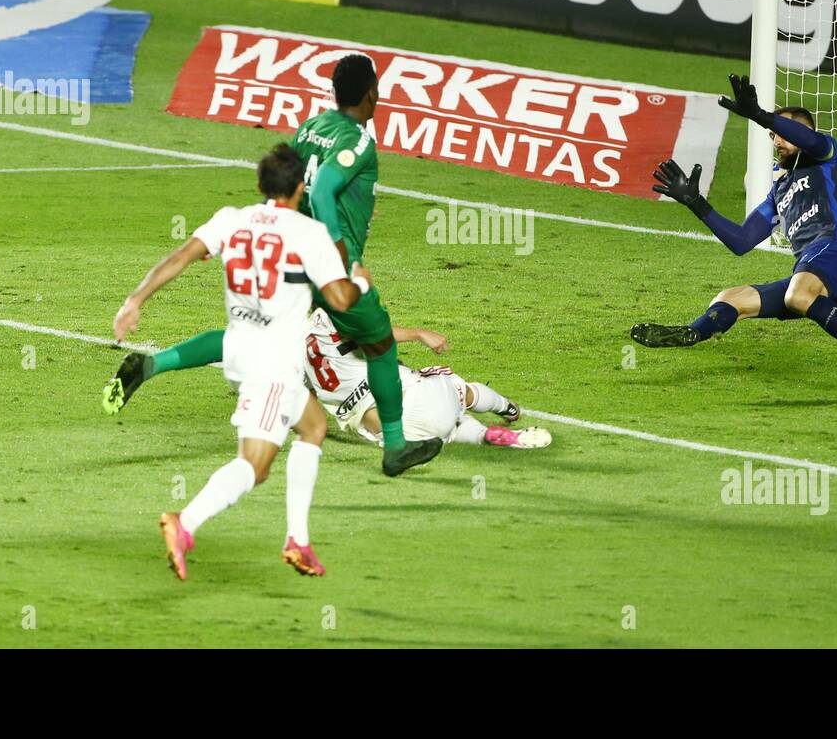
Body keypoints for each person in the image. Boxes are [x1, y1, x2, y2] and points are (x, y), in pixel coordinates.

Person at [111, 144, 372, 580]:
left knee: (313, 427)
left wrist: (134, 300)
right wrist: (360, 283)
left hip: (237, 348)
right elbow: (341, 298)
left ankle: (298, 540)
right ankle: (185, 523)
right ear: (301, 188)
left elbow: (180, 257)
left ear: (260, 185)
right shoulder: (308, 233)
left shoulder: (232, 218)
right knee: (255, 465)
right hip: (271, 364)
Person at [631, 74, 837, 403]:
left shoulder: (826, 155)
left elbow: (807, 141)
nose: (776, 140)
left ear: (805, 132)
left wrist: (760, 115)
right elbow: (741, 241)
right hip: (808, 268)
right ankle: (693, 331)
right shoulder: (779, 190)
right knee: (732, 297)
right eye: (772, 135)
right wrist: (697, 204)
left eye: (782, 133)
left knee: (798, 293)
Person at [304, 309, 552, 449]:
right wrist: (418, 333)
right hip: (414, 399)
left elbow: (306, 396)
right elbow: (370, 335)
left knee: (446, 430)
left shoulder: (294, 345)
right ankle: (506, 408)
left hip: (390, 432)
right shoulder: (330, 312)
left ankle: (482, 435)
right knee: (457, 388)